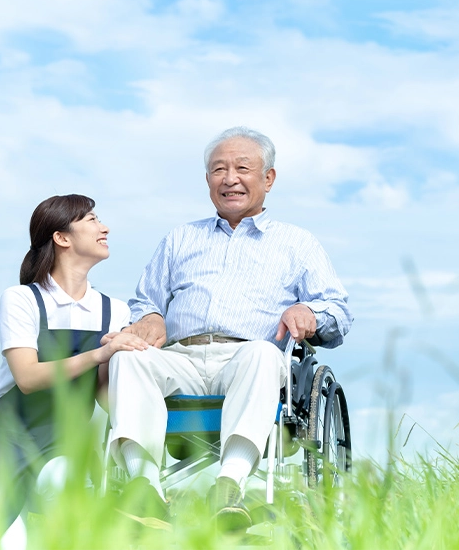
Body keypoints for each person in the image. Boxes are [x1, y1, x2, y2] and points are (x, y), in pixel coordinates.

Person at [108, 126, 352, 530]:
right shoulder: (180, 239)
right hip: (180, 358)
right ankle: (143, 488)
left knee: (261, 351)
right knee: (127, 357)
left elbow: (339, 313)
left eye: (243, 168)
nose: (229, 178)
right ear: (207, 181)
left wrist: (310, 311)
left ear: (268, 179)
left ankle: (230, 485)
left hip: (247, 359)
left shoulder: (298, 243)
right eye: (218, 170)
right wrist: (150, 317)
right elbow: (146, 302)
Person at [0, 194, 149, 549]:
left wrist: (131, 362)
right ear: (62, 238)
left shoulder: (114, 311)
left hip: (61, 448)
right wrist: (100, 353)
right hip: (0, 448)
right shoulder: (22, 299)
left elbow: (105, 398)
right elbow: (27, 378)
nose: (104, 227)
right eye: (91, 220)